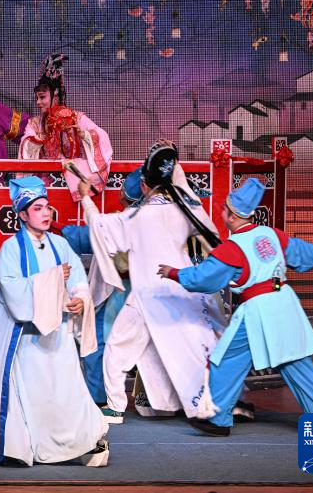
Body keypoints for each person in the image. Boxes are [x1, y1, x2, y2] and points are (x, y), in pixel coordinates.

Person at [158, 177, 313, 436]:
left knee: (225, 360)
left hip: (259, 311)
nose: (222, 213)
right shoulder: (271, 235)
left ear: (233, 216)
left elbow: (203, 278)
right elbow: (299, 251)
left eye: (225, 210)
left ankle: (218, 418)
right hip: (285, 304)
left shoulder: (233, 248)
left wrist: (173, 273)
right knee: (297, 364)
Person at [80, 140, 227, 424]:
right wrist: (173, 160)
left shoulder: (138, 216)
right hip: (182, 291)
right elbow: (208, 229)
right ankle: (203, 401)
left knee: (117, 348)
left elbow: (100, 228)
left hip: (147, 296)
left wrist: (86, 197)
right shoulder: (186, 207)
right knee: (186, 350)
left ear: (144, 186)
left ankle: (115, 407)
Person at [0, 176, 109, 467]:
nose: (46, 213)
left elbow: (77, 278)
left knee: (64, 391)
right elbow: (13, 291)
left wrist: (79, 298)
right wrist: (53, 279)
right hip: (24, 337)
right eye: (37, 209)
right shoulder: (11, 248)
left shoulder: (60, 244)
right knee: (32, 394)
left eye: (47, 207)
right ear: (23, 215)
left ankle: (83, 442)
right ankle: (23, 447)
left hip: (58, 333)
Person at [52, 167, 142, 407]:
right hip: (146, 293)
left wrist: (55, 224)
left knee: (99, 340)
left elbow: (85, 235)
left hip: (118, 293)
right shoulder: (156, 221)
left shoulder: (116, 223)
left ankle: (100, 398)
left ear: (124, 194)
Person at [19, 53, 113, 202]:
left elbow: (101, 135)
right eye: (37, 98)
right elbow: (26, 143)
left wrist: (84, 134)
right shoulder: (34, 124)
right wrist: (40, 139)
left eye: (42, 97)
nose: (38, 102)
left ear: (55, 94)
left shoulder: (76, 118)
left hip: (70, 185)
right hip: (43, 188)